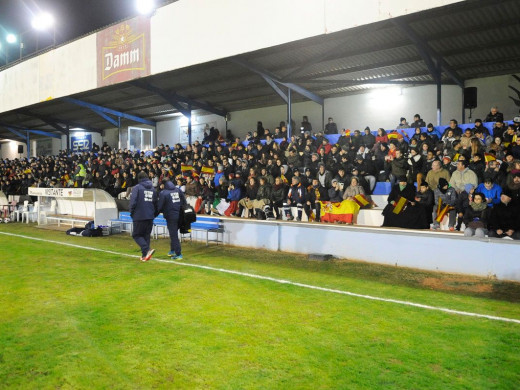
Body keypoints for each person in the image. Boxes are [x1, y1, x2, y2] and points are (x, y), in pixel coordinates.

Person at [129, 171, 158, 262]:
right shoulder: (153, 189)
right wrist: (153, 214)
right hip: (150, 216)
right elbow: (156, 204)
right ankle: (145, 255)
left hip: (139, 215)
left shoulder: (137, 188)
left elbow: (133, 202)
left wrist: (132, 213)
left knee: (136, 235)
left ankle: (147, 249)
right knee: (146, 236)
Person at [157, 179, 187, 259]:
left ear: (163, 185)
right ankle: (172, 250)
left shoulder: (163, 193)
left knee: (173, 235)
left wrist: (153, 214)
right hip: (180, 215)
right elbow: (184, 202)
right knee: (173, 233)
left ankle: (178, 254)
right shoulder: (178, 190)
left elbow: (159, 207)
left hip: (171, 216)